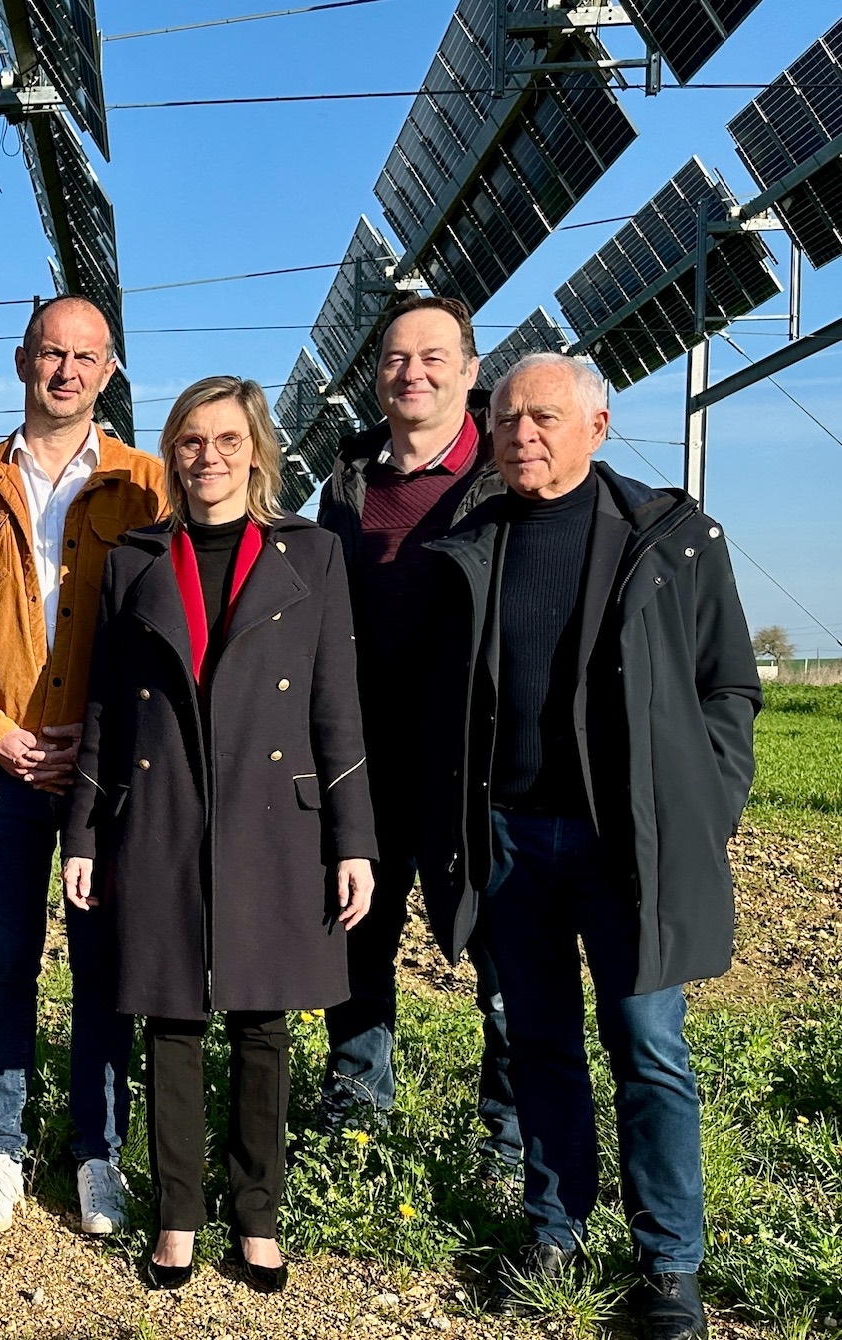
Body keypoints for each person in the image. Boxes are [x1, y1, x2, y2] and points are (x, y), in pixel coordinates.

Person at [421, 353, 757, 1340]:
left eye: (545, 417)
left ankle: (666, 1264)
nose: (523, 432)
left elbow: (726, 686)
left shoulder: (671, 539)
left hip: (629, 847)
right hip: (512, 838)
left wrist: (703, 807)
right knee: (538, 1045)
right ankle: (553, 1228)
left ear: (596, 427)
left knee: (647, 1048)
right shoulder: (470, 542)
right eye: (508, 417)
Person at [63, 376, 375, 1293]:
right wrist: (84, 833)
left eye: (227, 440)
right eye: (191, 442)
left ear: (256, 450)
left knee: (264, 1018)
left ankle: (259, 1216)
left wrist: (352, 840)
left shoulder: (310, 556)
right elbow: (107, 709)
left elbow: (336, 706)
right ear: (173, 452)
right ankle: (175, 1216)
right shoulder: (134, 560)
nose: (208, 458)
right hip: (161, 813)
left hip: (274, 814)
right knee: (172, 1014)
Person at [0, 295, 165, 1237]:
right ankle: (1, 1147)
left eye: (86, 356)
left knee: (103, 966)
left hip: (109, 775)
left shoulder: (150, 486)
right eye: (51, 353)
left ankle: (97, 1152)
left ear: (109, 371)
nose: (66, 370)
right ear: (23, 360)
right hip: (1, 767)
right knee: (1, 961)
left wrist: (107, 740)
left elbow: (167, 632)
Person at [314, 297, 517, 1169]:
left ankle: (509, 1134)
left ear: (471, 373)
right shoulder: (346, 485)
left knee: (504, 952)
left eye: (435, 358)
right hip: (369, 756)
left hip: (477, 763)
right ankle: (358, 1108)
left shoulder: (510, 478)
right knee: (359, 934)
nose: (414, 374)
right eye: (397, 358)